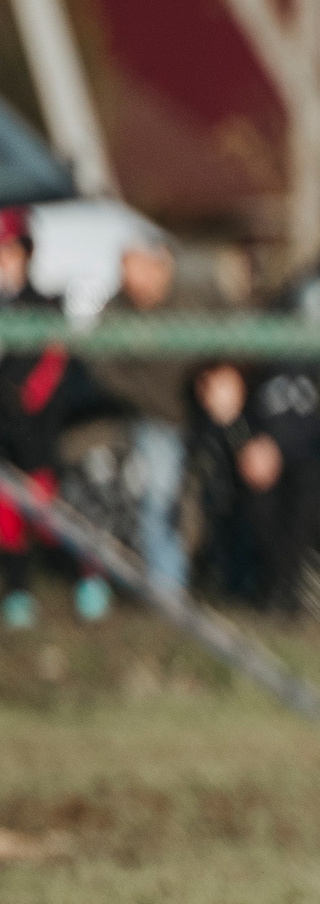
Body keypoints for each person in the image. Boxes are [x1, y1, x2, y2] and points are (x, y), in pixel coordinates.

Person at [0, 205, 111, 627]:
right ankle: (18, 592)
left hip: (35, 425)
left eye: (10, 252)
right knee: (6, 515)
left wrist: (26, 395)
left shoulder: (42, 305)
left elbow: (52, 363)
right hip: (4, 426)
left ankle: (87, 575)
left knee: (45, 511)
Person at [82, 231, 200, 590]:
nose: (131, 276)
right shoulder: (116, 309)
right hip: (141, 420)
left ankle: (180, 583)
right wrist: (142, 396)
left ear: (162, 263)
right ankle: (159, 586)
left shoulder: (194, 302)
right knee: (146, 488)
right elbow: (100, 367)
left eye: (138, 265)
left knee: (168, 495)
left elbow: (223, 354)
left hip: (193, 419)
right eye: (126, 266)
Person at [185, 359, 320, 613]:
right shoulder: (243, 364)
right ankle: (266, 587)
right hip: (250, 446)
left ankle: (284, 588)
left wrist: (276, 447)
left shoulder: (307, 367)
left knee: (303, 494)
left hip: (304, 453)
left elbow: (313, 424)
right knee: (257, 498)